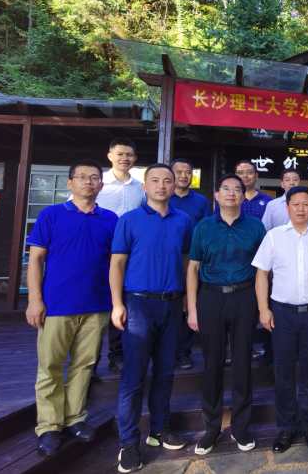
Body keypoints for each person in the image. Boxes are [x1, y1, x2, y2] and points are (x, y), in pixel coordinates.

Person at [25, 160, 118, 456]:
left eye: (94, 178)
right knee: (50, 366)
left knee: (85, 365)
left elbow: (115, 263)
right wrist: (34, 300)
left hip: (97, 305)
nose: (89, 182)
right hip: (56, 305)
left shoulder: (110, 219)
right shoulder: (51, 215)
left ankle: (75, 418)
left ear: (101, 184)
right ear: (70, 183)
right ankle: (49, 426)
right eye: (82, 177)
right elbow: (35, 259)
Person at [110, 164, 193, 473]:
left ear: (174, 186)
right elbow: (117, 264)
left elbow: (187, 260)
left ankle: (159, 430)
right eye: (155, 180)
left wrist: (187, 300)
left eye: (167, 181)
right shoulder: (129, 220)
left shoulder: (183, 220)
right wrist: (117, 304)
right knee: (133, 377)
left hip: (171, 305)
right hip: (138, 304)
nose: (161, 185)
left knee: (165, 373)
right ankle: (129, 443)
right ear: (144, 187)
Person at [252, 187, 308, 454]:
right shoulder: (274, 236)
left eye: (306, 204)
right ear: (287, 207)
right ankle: (286, 427)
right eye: (296, 204)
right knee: (283, 372)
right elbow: (261, 274)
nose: (301, 209)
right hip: (282, 313)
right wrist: (263, 309)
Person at [186, 174, 266, 455]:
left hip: (244, 297)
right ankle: (212, 427)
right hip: (211, 297)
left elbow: (263, 270)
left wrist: (262, 306)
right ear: (216, 195)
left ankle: (241, 427)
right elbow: (193, 268)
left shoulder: (256, 227)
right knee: (212, 363)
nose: (231, 193)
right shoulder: (203, 227)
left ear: (244, 196)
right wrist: (192, 308)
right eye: (226, 189)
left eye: (237, 189)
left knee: (243, 362)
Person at [97, 138, 145, 374]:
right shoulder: (98, 183)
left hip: (130, 254)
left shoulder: (140, 188)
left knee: (122, 300)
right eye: (120, 154)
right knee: (99, 302)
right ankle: (90, 359)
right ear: (110, 156)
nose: (125, 158)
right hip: (101, 251)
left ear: (134, 159)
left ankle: (117, 354)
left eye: (129, 155)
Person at [169, 158, 212, 371]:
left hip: (193, 259)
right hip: (168, 258)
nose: (184, 176)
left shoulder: (201, 201)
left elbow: (207, 227)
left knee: (189, 304)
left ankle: (184, 352)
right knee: (171, 304)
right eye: (179, 172)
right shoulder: (163, 196)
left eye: (188, 172)